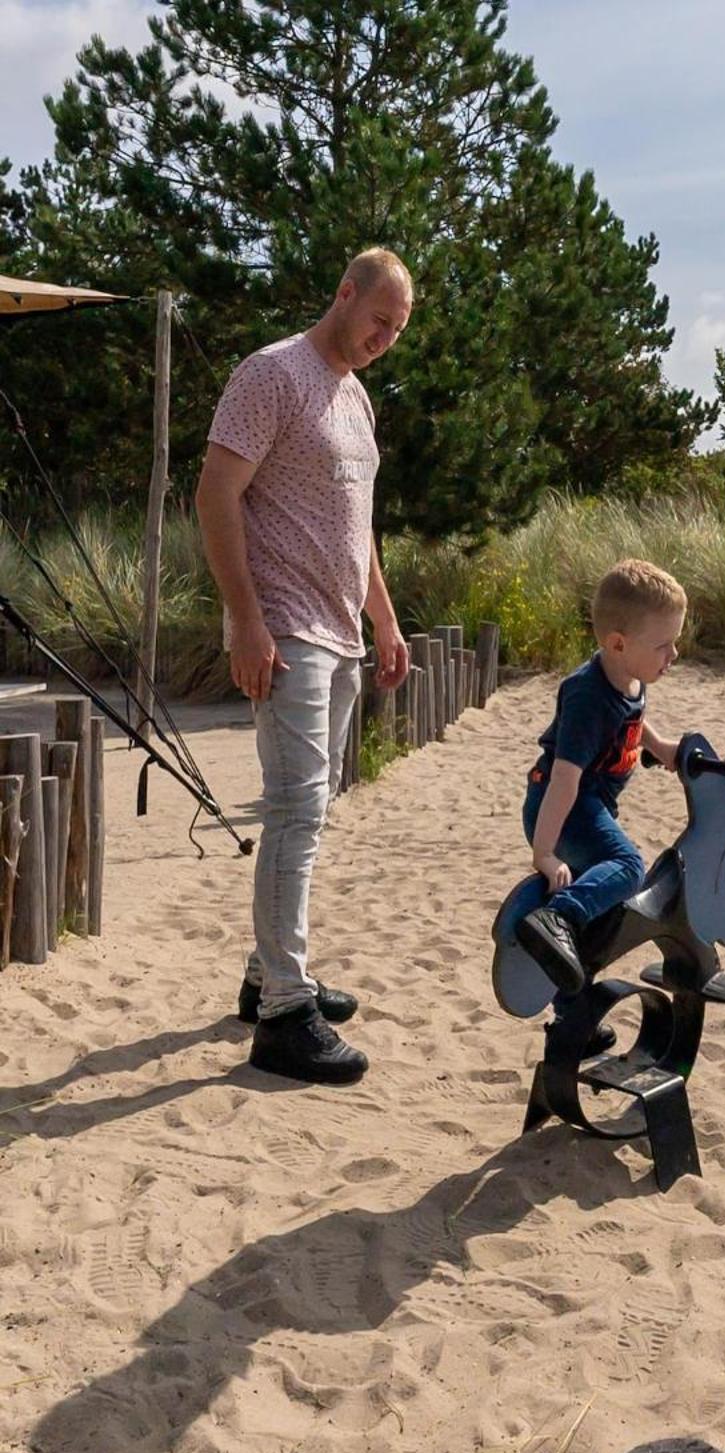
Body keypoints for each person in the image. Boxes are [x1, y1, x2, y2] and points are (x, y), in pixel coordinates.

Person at [195, 248, 414, 1084]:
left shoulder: (355, 399)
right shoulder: (273, 374)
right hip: (284, 632)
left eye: (397, 331)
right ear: (344, 293)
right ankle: (287, 1014)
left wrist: (385, 622)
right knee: (294, 813)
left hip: (341, 634)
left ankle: (266, 978)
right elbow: (216, 495)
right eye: (377, 320)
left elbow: (356, 527)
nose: (384, 339)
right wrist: (246, 623)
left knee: (311, 810)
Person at [515, 559, 687, 994]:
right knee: (629, 867)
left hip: (590, 808)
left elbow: (630, 719)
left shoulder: (629, 675)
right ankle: (557, 917)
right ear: (618, 643)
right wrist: (545, 853)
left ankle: (571, 1019)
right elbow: (562, 780)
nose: (674, 656)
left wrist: (660, 746)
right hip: (563, 810)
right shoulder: (586, 697)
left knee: (605, 913)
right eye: (664, 645)